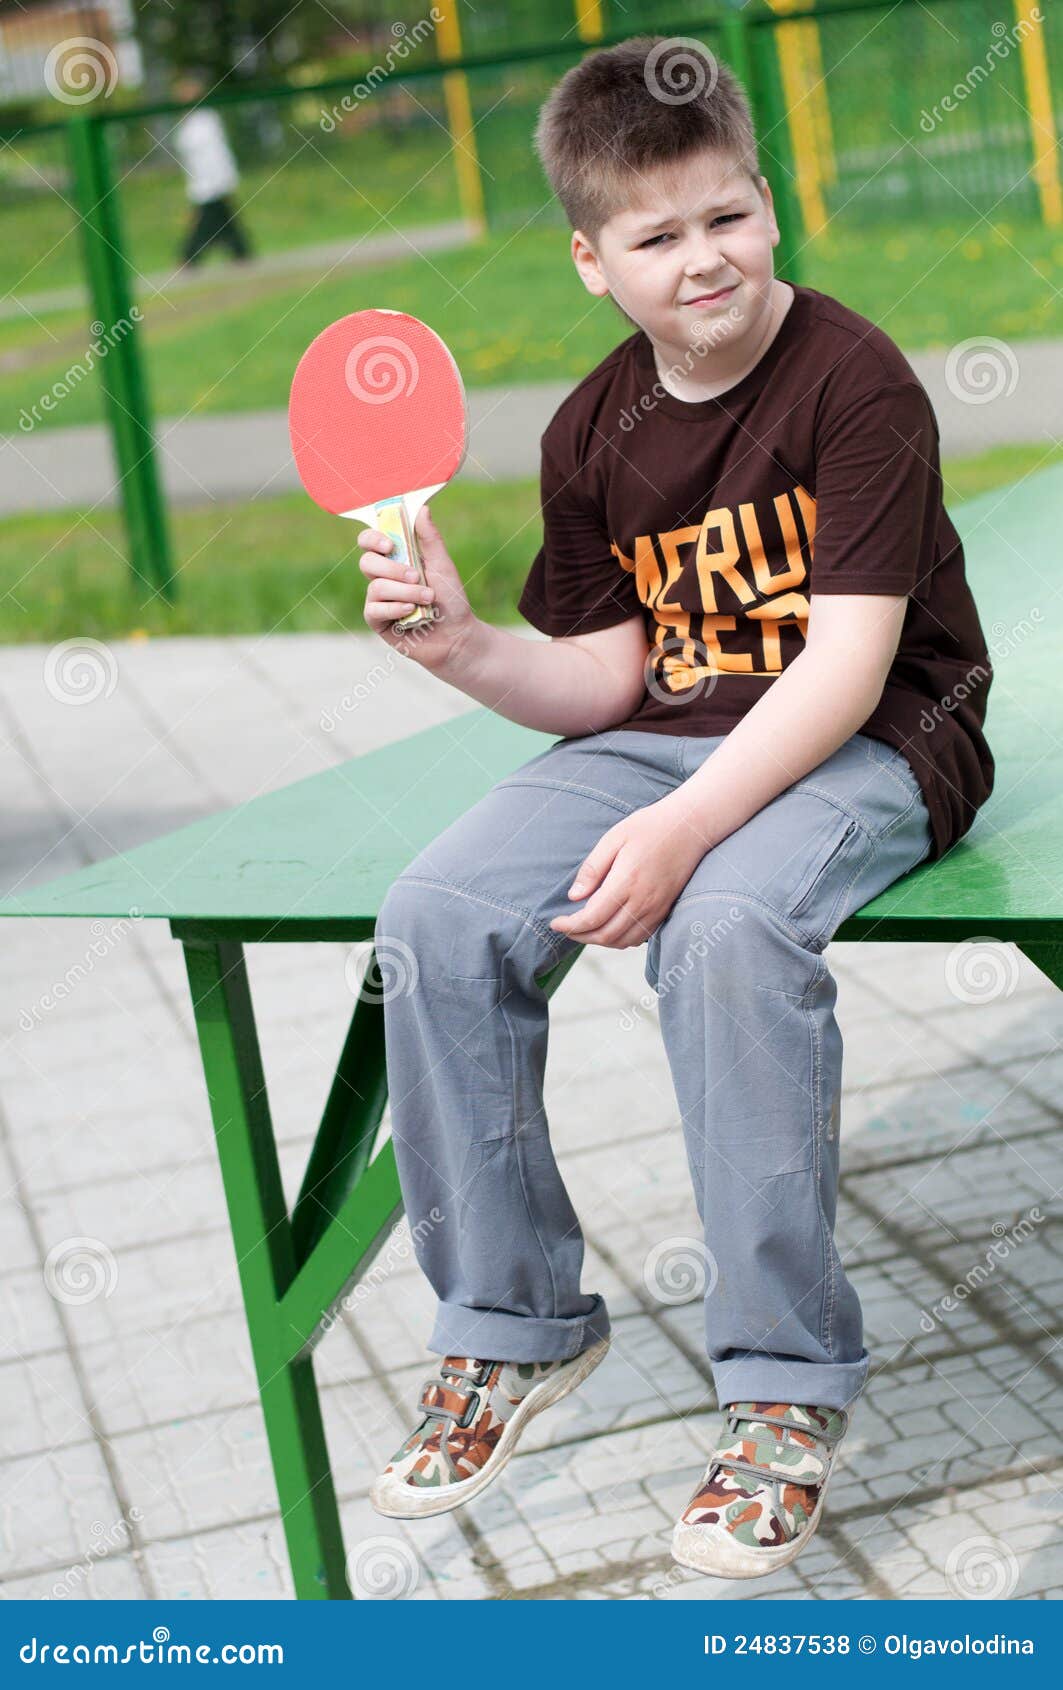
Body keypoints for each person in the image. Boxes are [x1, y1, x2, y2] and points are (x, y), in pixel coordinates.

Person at [357, 35, 994, 1579]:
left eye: (725, 216)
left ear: (765, 204)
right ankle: (509, 1322)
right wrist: (460, 647)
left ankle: (779, 1388)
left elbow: (842, 669)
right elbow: (603, 674)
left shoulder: (854, 381)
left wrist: (686, 825)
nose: (699, 258)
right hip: (675, 729)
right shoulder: (590, 430)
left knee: (715, 930)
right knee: (432, 911)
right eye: (654, 236)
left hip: (874, 733)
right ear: (590, 260)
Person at [170, 71, 252, 270]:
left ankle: (189, 257)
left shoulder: (206, 122)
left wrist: (222, 178)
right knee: (223, 219)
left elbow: (215, 154)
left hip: (212, 180)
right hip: (201, 181)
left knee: (205, 221)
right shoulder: (188, 124)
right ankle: (241, 252)